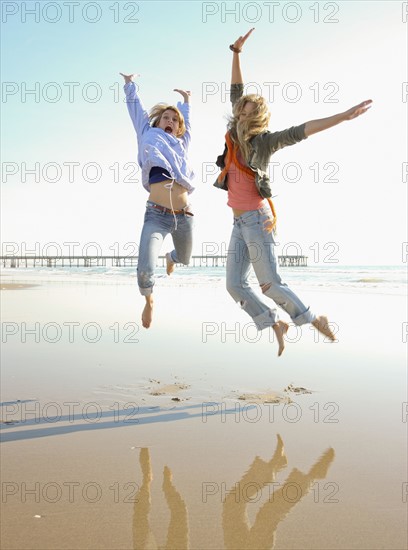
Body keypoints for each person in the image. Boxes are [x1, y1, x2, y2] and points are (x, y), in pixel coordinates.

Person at [214, 29, 372, 356]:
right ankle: (275, 323)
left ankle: (314, 319)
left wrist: (342, 117)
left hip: (257, 220)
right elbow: (235, 88)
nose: (240, 111)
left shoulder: (265, 141)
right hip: (238, 224)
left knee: (270, 284)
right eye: (240, 108)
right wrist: (236, 53)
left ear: (255, 116)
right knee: (234, 284)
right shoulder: (232, 131)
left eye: (246, 110)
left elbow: (302, 131)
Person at [120, 72, 194, 329]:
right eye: (166, 117)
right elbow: (136, 111)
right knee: (144, 269)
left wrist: (186, 101)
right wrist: (130, 85)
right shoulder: (147, 133)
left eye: (175, 120)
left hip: (184, 215)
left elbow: (188, 123)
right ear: (157, 121)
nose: (170, 121)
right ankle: (149, 300)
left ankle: (172, 258)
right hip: (156, 215)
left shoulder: (182, 143)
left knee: (184, 258)